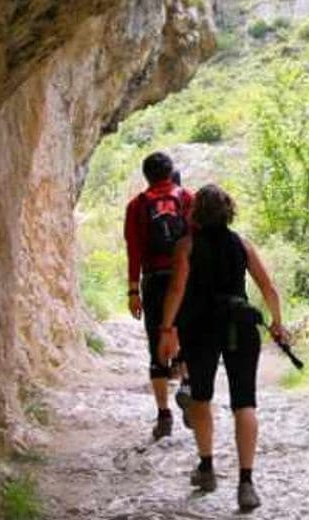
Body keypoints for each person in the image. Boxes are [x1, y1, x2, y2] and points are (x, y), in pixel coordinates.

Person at [157, 183, 289, 512]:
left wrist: (167, 329)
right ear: (229, 211)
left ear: (196, 212)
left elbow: (176, 289)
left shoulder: (186, 246)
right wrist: (277, 324)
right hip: (241, 326)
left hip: (200, 329)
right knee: (245, 403)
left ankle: (207, 467)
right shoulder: (242, 245)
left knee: (200, 398)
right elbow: (269, 288)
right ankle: (246, 482)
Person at [124, 151, 193, 441]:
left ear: (147, 175)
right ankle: (188, 385)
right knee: (186, 334)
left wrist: (133, 290)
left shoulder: (137, 206)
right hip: (184, 276)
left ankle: (163, 415)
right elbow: (195, 239)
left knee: (156, 343)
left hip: (153, 279)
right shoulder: (188, 198)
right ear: (170, 172)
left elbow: (134, 250)